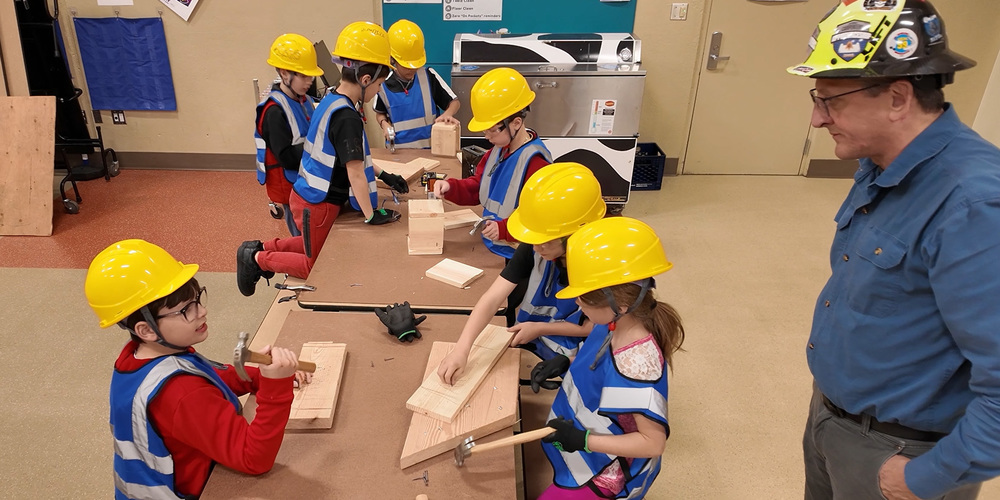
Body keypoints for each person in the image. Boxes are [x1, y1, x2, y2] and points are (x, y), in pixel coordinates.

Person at [788, 1, 1000, 499]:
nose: (817, 119)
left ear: (898, 98)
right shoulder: (880, 164)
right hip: (833, 419)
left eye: (830, 101)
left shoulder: (974, 205)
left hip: (903, 452)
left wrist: (926, 477)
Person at [84, 239, 309, 499]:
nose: (202, 311)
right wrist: (275, 390)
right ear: (146, 329)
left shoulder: (141, 356)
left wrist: (263, 376)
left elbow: (210, 375)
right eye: (185, 310)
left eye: (197, 299)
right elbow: (254, 459)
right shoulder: (181, 393)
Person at [237, 21, 410, 296]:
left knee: (312, 245)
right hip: (317, 202)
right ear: (365, 80)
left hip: (313, 198)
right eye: (379, 84)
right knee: (315, 265)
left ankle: (260, 247)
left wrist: (385, 176)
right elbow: (355, 172)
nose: (379, 91)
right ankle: (257, 259)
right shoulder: (346, 117)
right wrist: (371, 215)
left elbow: (357, 158)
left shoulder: (332, 99)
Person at [529, 217, 684, 499]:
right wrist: (565, 364)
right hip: (590, 448)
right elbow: (599, 366)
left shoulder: (637, 363)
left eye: (583, 298)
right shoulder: (611, 323)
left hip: (607, 469)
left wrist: (584, 440)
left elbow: (652, 443)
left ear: (620, 304)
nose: (577, 303)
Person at [437, 162, 605, 385]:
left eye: (544, 241)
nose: (535, 248)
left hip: (575, 352)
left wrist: (540, 328)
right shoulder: (537, 245)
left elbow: (594, 327)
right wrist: (462, 349)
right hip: (534, 340)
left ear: (576, 233)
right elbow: (492, 298)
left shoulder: (601, 264)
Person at [431, 66, 552, 260]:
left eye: (492, 130)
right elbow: (480, 187)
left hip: (516, 253)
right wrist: (451, 187)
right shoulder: (497, 150)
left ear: (516, 123)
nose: (487, 137)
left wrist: (504, 230)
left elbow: (541, 218)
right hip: (490, 242)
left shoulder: (536, 163)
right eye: (484, 131)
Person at [254, 33, 322, 237]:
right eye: (304, 76)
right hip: (290, 185)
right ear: (284, 74)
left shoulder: (304, 100)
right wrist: (321, 147)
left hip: (305, 180)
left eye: (311, 76)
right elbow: (286, 156)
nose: (309, 81)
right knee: (302, 238)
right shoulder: (274, 111)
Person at [374, 19, 460, 149]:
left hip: (431, 151)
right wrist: (384, 124)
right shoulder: (382, 85)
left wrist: (447, 114)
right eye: (406, 65)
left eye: (415, 64)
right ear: (393, 59)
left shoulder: (428, 76)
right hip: (399, 152)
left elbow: (454, 103)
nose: (412, 69)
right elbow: (380, 113)